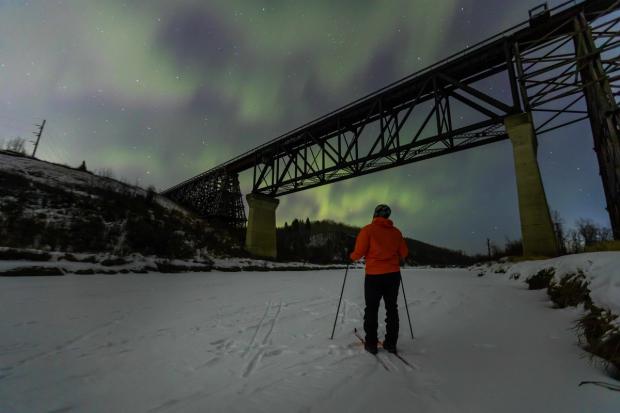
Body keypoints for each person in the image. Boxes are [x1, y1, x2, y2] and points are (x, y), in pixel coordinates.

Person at [349, 204, 408, 354]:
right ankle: (391, 343)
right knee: (392, 308)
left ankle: (371, 344)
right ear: (388, 216)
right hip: (393, 276)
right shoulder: (396, 233)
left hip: (374, 277)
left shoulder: (367, 230)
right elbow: (404, 253)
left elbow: (359, 252)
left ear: (375, 214)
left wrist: (350, 257)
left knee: (371, 309)